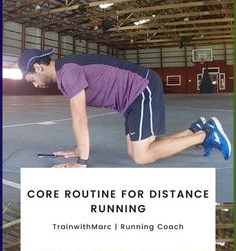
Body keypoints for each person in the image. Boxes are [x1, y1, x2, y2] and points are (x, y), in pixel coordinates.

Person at [18, 48, 231, 168]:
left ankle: (205, 135)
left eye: (32, 79)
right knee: (134, 151)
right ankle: (195, 130)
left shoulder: (67, 72)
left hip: (141, 89)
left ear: (38, 67)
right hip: (130, 101)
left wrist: (81, 161)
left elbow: (80, 118)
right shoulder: (66, 71)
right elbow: (79, 117)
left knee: (142, 156)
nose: (35, 84)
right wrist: (76, 149)